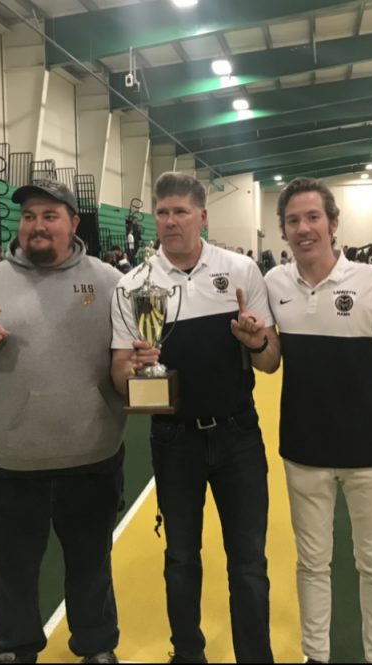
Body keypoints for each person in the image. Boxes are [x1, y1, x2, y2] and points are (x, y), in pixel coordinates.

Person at [0, 180, 126, 664]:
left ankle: (95, 646)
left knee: (91, 564)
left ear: (74, 223)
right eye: (29, 215)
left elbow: (131, 353)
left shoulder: (110, 282)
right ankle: (16, 646)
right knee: (11, 569)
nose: (37, 225)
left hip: (92, 457)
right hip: (7, 464)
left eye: (50, 215)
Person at [111, 172, 280, 664]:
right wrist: (134, 366)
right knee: (181, 557)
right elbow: (119, 375)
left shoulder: (242, 272)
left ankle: (256, 656)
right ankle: (187, 653)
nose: (170, 221)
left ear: (202, 216)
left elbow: (270, 362)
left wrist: (256, 341)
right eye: (162, 213)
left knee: (248, 562)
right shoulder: (134, 286)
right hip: (173, 440)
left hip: (238, 436)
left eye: (180, 211)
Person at [264, 177, 372, 665]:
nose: (303, 228)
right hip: (304, 452)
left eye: (313, 217)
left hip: (367, 453)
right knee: (312, 564)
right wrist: (255, 341)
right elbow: (269, 363)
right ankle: (317, 655)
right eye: (293, 221)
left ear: (333, 224)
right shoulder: (274, 284)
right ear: (284, 231)